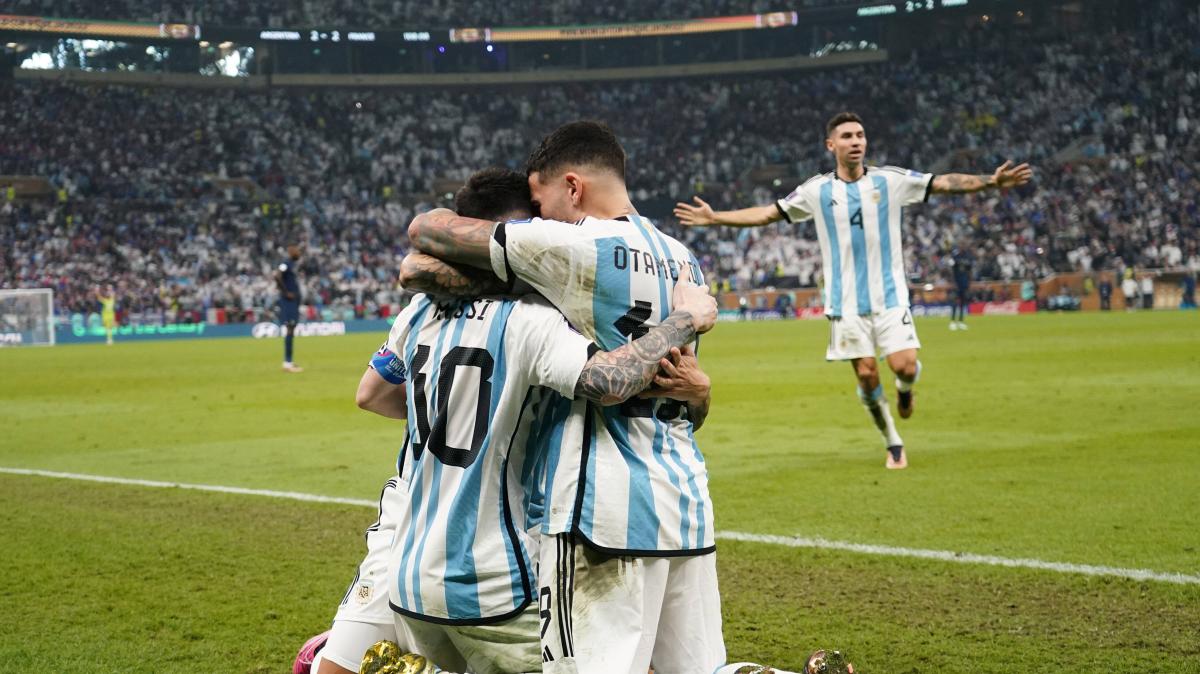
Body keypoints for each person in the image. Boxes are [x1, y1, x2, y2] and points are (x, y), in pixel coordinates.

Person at [407, 122, 837, 674]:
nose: (538, 217)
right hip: (684, 501)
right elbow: (690, 395)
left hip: (600, 512)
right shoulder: (686, 260)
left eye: (540, 202)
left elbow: (427, 235)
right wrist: (702, 388)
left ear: (572, 186)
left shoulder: (570, 245)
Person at [299, 167, 719, 674]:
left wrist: (449, 407)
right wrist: (686, 324)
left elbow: (372, 393)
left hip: (403, 558)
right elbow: (611, 382)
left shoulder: (418, 312)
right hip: (491, 577)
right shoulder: (534, 319)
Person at [674, 111, 1033, 469]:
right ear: (832, 145)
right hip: (844, 304)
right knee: (866, 373)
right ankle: (893, 441)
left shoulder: (890, 181)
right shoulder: (817, 191)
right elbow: (769, 213)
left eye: (860, 135)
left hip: (890, 297)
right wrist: (715, 216)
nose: (856, 141)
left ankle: (906, 390)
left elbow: (943, 182)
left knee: (905, 367)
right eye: (847, 136)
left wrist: (991, 182)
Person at [275, 244, 305, 373]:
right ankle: (287, 363)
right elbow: (277, 275)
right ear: (292, 252)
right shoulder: (285, 263)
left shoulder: (292, 265)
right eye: (297, 251)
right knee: (289, 329)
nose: (299, 253)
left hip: (293, 302)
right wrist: (286, 292)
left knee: (291, 330)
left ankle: (289, 361)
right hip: (288, 302)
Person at [947, 247, 973, 331]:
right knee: (955, 302)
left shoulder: (967, 257)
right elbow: (951, 271)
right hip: (957, 283)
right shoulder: (955, 257)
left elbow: (969, 271)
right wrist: (953, 282)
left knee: (963, 302)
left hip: (964, 284)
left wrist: (969, 282)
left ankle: (961, 321)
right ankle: (953, 322)